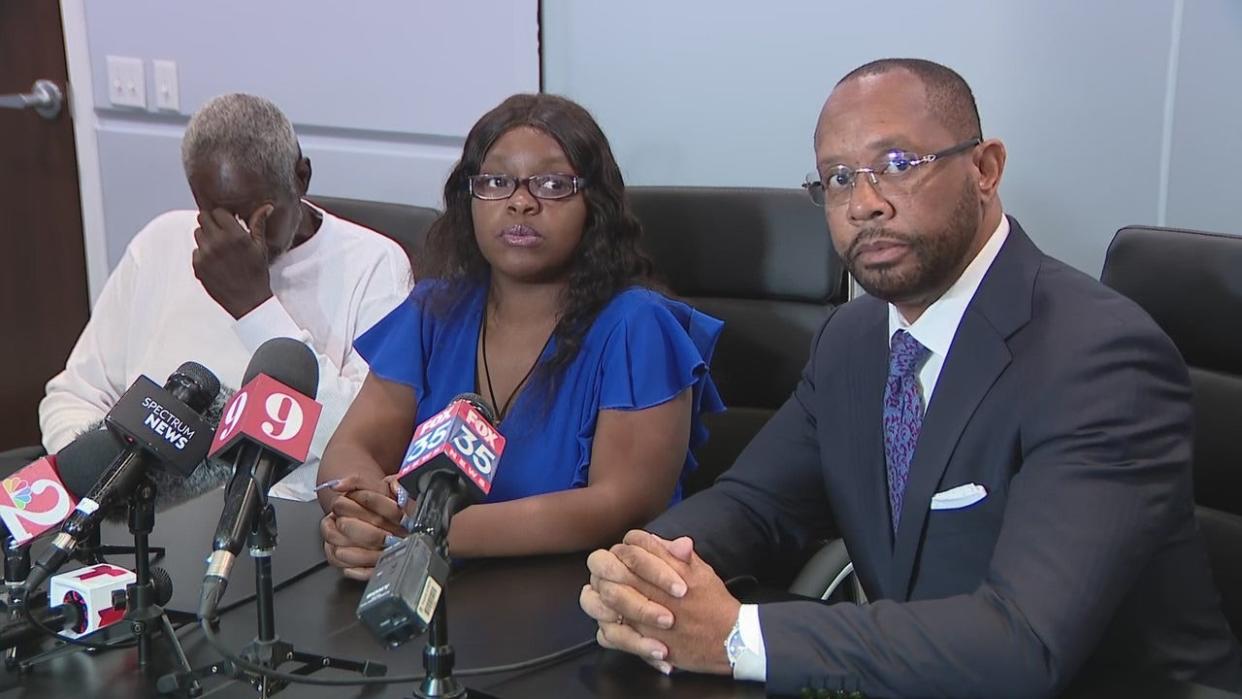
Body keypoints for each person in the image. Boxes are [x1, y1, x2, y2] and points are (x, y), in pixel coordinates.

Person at [579, 59, 1242, 697]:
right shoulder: (853, 340)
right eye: (837, 178)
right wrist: (645, 570)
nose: (863, 203)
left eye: (897, 165)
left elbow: (1025, 641)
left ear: (985, 168)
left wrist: (736, 636)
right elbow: (755, 504)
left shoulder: (1100, 356)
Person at [316, 94, 724, 578]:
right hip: (425, 585)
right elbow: (348, 451)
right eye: (496, 181)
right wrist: (361, 512)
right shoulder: (433, 311)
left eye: (552, 184)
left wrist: (426, 532)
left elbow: (622, 505)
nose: (521, 201)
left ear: (594, 205)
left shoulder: (637, 327)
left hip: (581, 599)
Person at [39, 93, 411, 500]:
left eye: (258, 215)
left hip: (268, 523)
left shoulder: (374, 264)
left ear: (300, 178)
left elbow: (365, 444)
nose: (238, 238)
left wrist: (255, 308)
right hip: (135, 514)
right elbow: (76, 394)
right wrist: (94, 488)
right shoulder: (161, 242)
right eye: (216, 214)